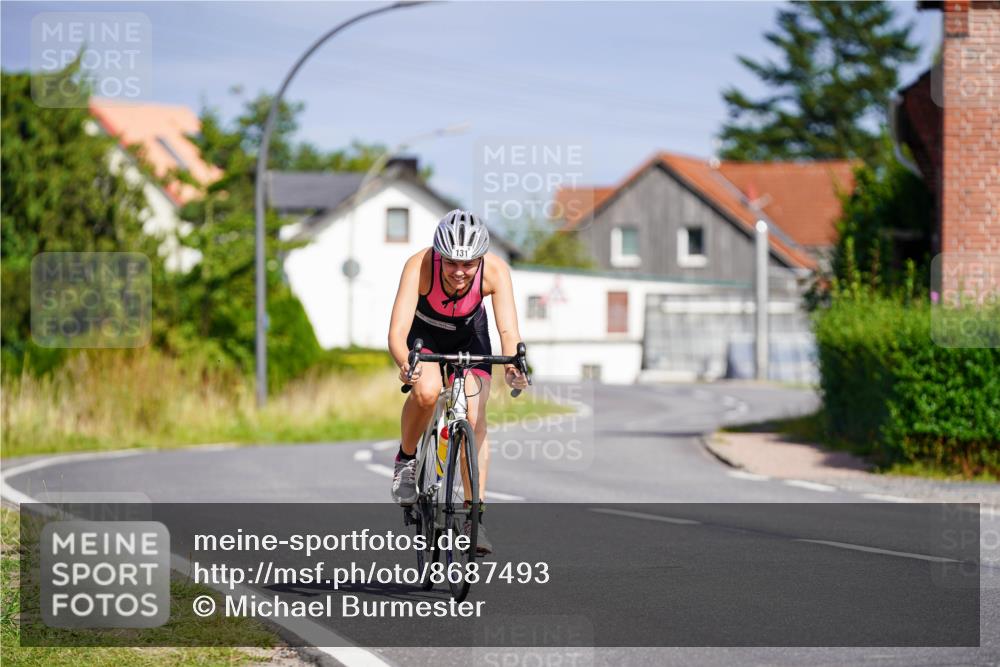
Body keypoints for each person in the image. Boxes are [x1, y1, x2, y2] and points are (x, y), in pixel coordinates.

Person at [387, 209, 528, 555]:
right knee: (427, 392)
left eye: (469, 264)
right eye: (451, 262)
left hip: (470, 338)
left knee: (475, 415)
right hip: (426, 336)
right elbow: (397, 332)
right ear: (439, 255)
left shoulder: (494, 271)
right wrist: (406, 364)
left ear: (481, 259)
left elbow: (509, 331)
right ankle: (406, 461)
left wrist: (513, 366)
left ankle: (473, 520)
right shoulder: (419, 266)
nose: (460, 272)